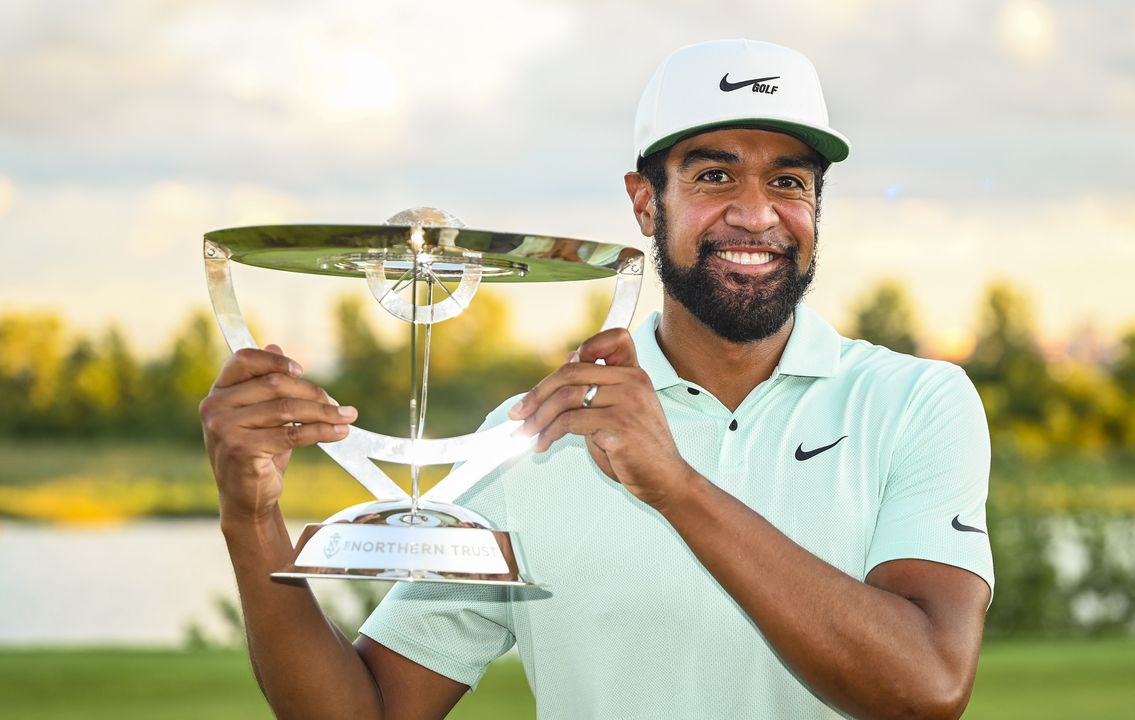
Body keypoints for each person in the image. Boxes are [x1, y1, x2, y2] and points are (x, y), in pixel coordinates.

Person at [200, 39, 994, 719]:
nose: (757, 214)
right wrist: (251, 517)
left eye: (788, 181)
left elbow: (926, 687)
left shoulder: (917, 403)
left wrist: (674, 484)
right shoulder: (533, 438)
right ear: (646, 204)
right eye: (715, 177)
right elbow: (364, 711)